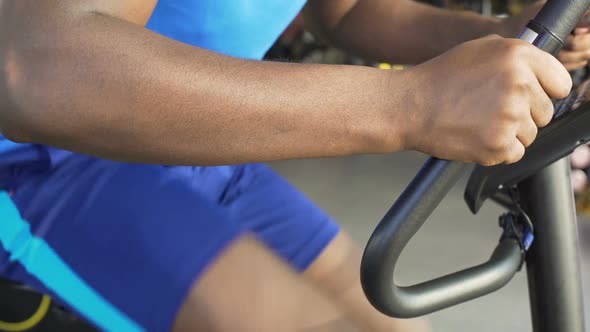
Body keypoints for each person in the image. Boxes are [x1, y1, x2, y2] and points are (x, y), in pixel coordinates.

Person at [1, 1, 590, 331]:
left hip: (200, 150)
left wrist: (499, 36)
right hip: (48, 165)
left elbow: (347, 11)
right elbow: (36, 67)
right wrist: (412, 103)